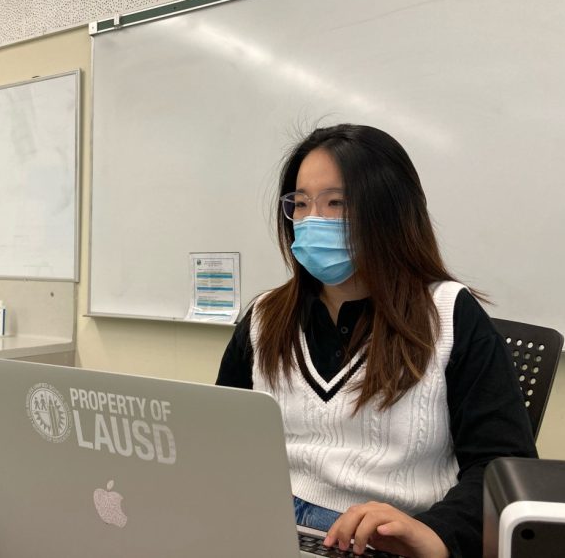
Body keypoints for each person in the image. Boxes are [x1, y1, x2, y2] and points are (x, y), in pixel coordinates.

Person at [216, 124, 536, 558]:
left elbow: (502, 466)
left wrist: (436, 534)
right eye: (301, 204)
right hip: (271, 529)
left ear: (387, 212)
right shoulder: (264, 316)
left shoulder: (448, 315)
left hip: (382, 542)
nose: (312, 221)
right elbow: (220, 441)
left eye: (336, 204)